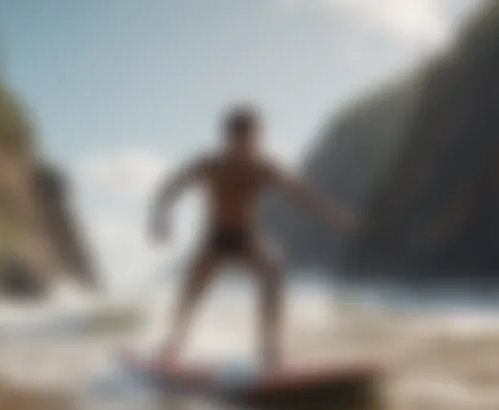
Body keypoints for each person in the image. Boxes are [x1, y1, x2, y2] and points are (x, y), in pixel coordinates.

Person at [149, 104, 356, 368]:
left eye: (254, 138)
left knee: (272, 273)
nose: (249, 146)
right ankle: (173, 345)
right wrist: (160, 217)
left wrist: (332, 215)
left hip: (246, 237)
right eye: (243, 139)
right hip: (214, 238)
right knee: (192, 290)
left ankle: (269, 349)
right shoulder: (209, 165)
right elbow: (172, 186)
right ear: (229, 138)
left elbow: (299, 193)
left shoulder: (262, 168)